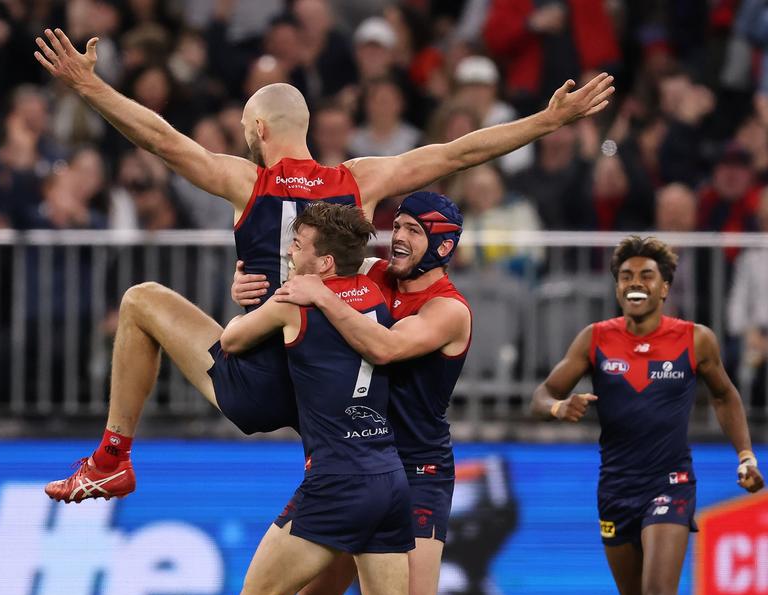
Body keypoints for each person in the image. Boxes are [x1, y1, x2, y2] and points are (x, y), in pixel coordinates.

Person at [31, 26, 613, 502]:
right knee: (341, 594)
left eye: (244, 131)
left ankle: (111, 457)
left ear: (257, 130)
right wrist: (547, 121)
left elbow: (161, 139)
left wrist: (89, 87)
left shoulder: (247, 181)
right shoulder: (357, 182)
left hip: (261, 382)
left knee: (140, 301)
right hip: (338, 389)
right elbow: (456, 152)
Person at [531, 236, 763, 595]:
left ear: (665, 289)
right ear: (618, 287)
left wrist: (745, 455)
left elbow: (724, 396)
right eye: (627, 277)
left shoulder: (694, 339)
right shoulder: (595, 338)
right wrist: (557, 406)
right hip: (615, 488)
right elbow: (542, 393)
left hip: (671, 482)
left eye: (646, 277)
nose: (635, 284)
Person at [221, 202, 433, 595]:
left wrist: (246, 299)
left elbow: (230, 341)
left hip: (338, 476)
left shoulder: (295, 301)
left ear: (325, 265)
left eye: (299, 246)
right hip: (388, 475)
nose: (290, 253)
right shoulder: (377, 294)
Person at [268, 192, 471, 595]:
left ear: (444, 245)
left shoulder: (447, 309)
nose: (397, 237)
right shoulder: (377, 275)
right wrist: (258, 289)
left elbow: (381, 348)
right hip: (359, 465)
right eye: (396, 225)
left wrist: (320, 294)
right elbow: (304, 287)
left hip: (418, 471)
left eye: (414, 231)